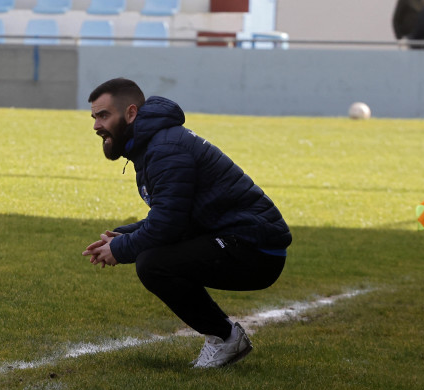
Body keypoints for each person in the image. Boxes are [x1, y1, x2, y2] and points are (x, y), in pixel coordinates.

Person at [82, 78, 292, 368]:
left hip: (255, 249)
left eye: (104, 115)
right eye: (94, 117)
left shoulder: (165, 148)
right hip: (240, 239)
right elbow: (175, 216)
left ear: (131, 113)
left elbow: (168, 224)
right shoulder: (154, 144)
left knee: (153, 263)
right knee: (152, 256)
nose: (96, 126)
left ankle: (226, 338)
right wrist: (122, 236)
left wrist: (121, 249)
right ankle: (225, 336)